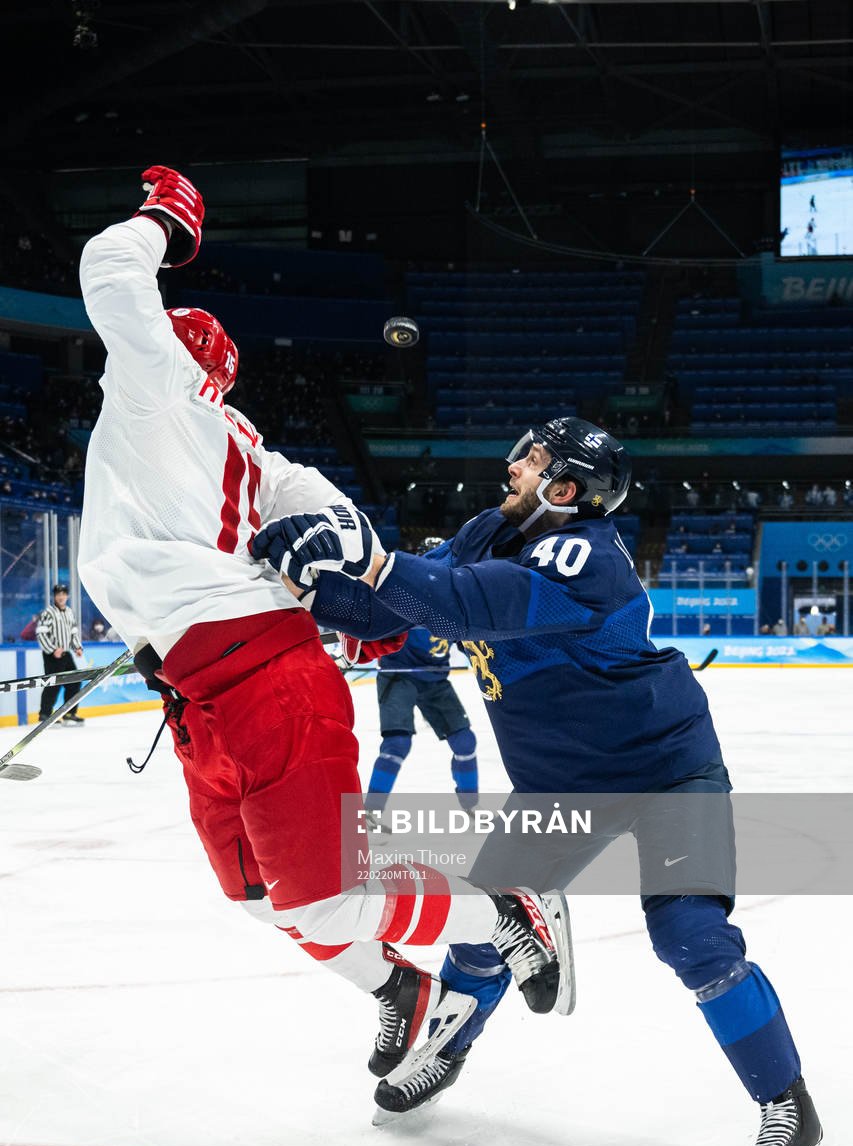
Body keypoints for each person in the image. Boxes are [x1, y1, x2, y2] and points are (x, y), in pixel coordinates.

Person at [76, 165, 569, 1091]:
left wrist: (165, 217)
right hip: (202, 699)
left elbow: (109, 266)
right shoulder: (255, 457)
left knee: (328, 896)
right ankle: (399, 990)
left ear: (187, 362)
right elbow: (348, 534)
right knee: (262, 897)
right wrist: (355, 606)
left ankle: (502, 907)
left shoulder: (157, 390)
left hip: (264, 685)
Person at [255, 417, 826, 1146]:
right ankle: (447, 1047)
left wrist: (376, 559)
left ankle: (787, 1108)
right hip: (557, 792)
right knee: (484, 920)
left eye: (534, 458)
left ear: (566, 489)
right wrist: (305, 585)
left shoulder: (584, 555)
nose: (514, 463)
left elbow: (461, 607)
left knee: (691, 936)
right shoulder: (488, 528)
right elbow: (391, 617)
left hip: (665, 772)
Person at [359, 536, 478, 827]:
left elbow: (469, 641)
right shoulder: (400, 593)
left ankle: (471, 806)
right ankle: (370, 813)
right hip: (400, 677)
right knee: (397, 744)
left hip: (436, 679)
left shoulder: (456, 597)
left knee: (465, 742)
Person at [35, 583, 85, 724]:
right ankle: (44, 715)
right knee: (53, 684)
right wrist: (52, 649)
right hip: (52, 655)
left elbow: (73, 632)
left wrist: (77, 647)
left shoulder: (69, 611)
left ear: (67, 596)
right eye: (58, 594)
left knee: (75, 682)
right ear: (54, 596)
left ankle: (69, 714)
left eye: (63, 594)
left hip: (66, 654)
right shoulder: (48, 612)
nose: (61, 596)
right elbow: (41, 634)